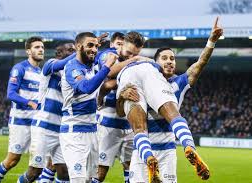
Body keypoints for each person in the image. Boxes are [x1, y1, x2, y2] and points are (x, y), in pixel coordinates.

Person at [127, 17, 223, 183]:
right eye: (164, 58)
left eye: (172, 58)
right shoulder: (142, 82)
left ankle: (189, 151)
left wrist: (211, 41)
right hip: (147, 150)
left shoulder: (179, 82)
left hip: (159, 149)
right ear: (155, 64)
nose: (169, 62)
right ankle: (188, 145)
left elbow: (200, 64)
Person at [95, 31, 154, 183]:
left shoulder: (134, 59)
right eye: (128, 53)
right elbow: (108, 78)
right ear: (121, 45)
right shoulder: (108, 55)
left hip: (129, 124)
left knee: (131, 170)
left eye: (134, 54)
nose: (130, 56)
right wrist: (135, 60)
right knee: (100, 173)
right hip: (107, 123)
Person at [59, 32, 116, 183]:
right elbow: (87, 87)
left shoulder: (90, 65)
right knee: (78, 180)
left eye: (97, 46)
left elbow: (106, 54)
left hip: (92, 131)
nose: (95, 50)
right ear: (78, 46)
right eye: (90, 45)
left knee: (89, 180)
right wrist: (107, 66)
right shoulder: (72, 68)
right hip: (74, 133)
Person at [17, 43, 76, 183]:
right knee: (34, 172)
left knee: (64, 171)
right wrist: (80, 51)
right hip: (43, 128)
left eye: (74, 49)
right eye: (70, 50)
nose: (73, 52)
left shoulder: (72, 73)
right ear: (59, 53)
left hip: (61, 130)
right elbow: (63, 63)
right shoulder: (50, 66)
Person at [0, 36, 44, 183]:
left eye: (42, 47)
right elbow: (11, 94)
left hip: (37, 124)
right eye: (37, 47)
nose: (41, 50)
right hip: (20, 122)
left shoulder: (41, 73)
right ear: (28, 51)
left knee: (40, 163)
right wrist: (30, 103)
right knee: (12, 160)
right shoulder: (19, 68)